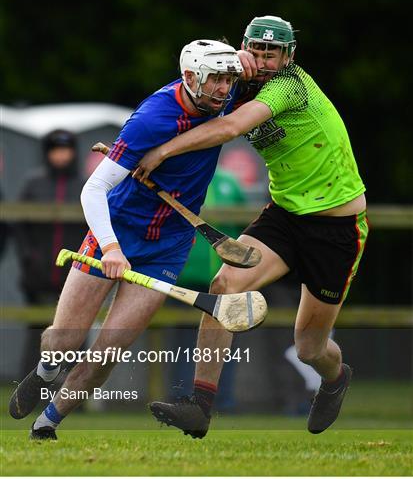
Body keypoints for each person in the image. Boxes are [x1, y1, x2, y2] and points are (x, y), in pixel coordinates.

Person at [134, 15, 369, 438]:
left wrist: (162, 152)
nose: (261, 61)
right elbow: (192, 95)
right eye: (255, 51)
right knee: (224, 287)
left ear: (288, 56)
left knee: (308, 346)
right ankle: (200, 406)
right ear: (243, 46)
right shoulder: (233, 81)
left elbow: (229, 128)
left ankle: (335, 380)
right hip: (284, 215)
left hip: (337, 225)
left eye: (271, 54)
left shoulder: (290, 84)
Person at [8, 39, 243, 440]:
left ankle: (47, 423)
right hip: (116, 230)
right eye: (216, 79)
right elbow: (93, 189)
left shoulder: (225, 96)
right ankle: (48, 367)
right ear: (190, 78)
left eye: (229, 79)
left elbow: (257, 77)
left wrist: (251, 56)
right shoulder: (152, 119)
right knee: (65, 339)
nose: (225, 89)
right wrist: (112, 247)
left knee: (109, 351)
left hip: (168, 245)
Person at [14, 130, 86, 375]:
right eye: (56, 150)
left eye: (65, 150)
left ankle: (71, 392)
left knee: (75, 333)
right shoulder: (33, 184)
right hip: (38, 275)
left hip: (74, 276)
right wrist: (29, 257)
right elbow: (20, 226)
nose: (61, 155)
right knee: (37, 332)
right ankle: (27, 390)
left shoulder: (85, 186)